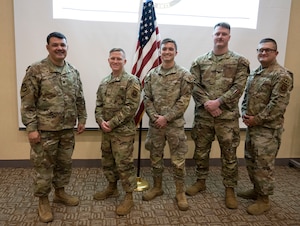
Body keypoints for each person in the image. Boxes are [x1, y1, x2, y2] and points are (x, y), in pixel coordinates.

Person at [20, 32, 87, 223]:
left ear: (67, 47)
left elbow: (79, 98)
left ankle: (60, 192)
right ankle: (43, 201)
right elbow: (27, 103)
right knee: (43, 167)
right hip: (44, 131)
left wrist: (82, 118)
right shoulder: (36, 70)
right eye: (55, 45)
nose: (60, 48)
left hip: (66, 129)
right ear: (47, 47)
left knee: (64, 164)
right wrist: (31, 128)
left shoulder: (73, 71)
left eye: (63, 45)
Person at [187, 22, 250, 209]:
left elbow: (239, 87)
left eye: (224, 34)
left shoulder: (240, 61)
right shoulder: (199, 61)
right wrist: (208, 104)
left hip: (227, 117)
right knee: (200, 151)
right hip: (204, 116)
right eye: (217, 34)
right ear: (213, 36)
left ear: (229, 37)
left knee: (229, 154)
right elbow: (194, 85)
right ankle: (200, 181)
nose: (220, 37)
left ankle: (229, 189)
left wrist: (218, 102)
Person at [238, 38, 293, 215]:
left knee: (264, 165)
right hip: (253, 127)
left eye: (267, 50)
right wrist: (246, 114)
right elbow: (246, 97)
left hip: (268, 130)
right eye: (260, 50)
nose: (263, 53)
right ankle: (256, 190)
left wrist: (257, 119)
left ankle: (264, 199)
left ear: (276, 53)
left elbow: (277, 106)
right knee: (251, 160)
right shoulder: (255, 73)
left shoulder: (282, 75)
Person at [142, 38, 194, 211]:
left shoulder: (184, 75)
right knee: (155, 158)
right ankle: (157, 187)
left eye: (171, 49)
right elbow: (147, 98)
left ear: (176, 53)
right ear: (160, 52)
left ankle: (180, 193)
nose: (167, 52)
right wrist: (154, 116)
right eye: (164, 49)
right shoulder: (151, 74)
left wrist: (167, 117)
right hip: (156, 125)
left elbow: (184, 100)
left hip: (174, 126)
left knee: (178, 161)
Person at [94, 48, 141, 216]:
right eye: (112, 58)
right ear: (108, 60)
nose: (115, 61)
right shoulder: (104, 82)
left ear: (125, 62)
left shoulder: (131, 81)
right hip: (106, 131)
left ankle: (129, 196)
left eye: (119, 59)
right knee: (108, 161)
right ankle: (112, 187)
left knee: (124, 164)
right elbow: (98, 105)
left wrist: (111, 123)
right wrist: (100, 121)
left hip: (123, 132)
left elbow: (131, 108)